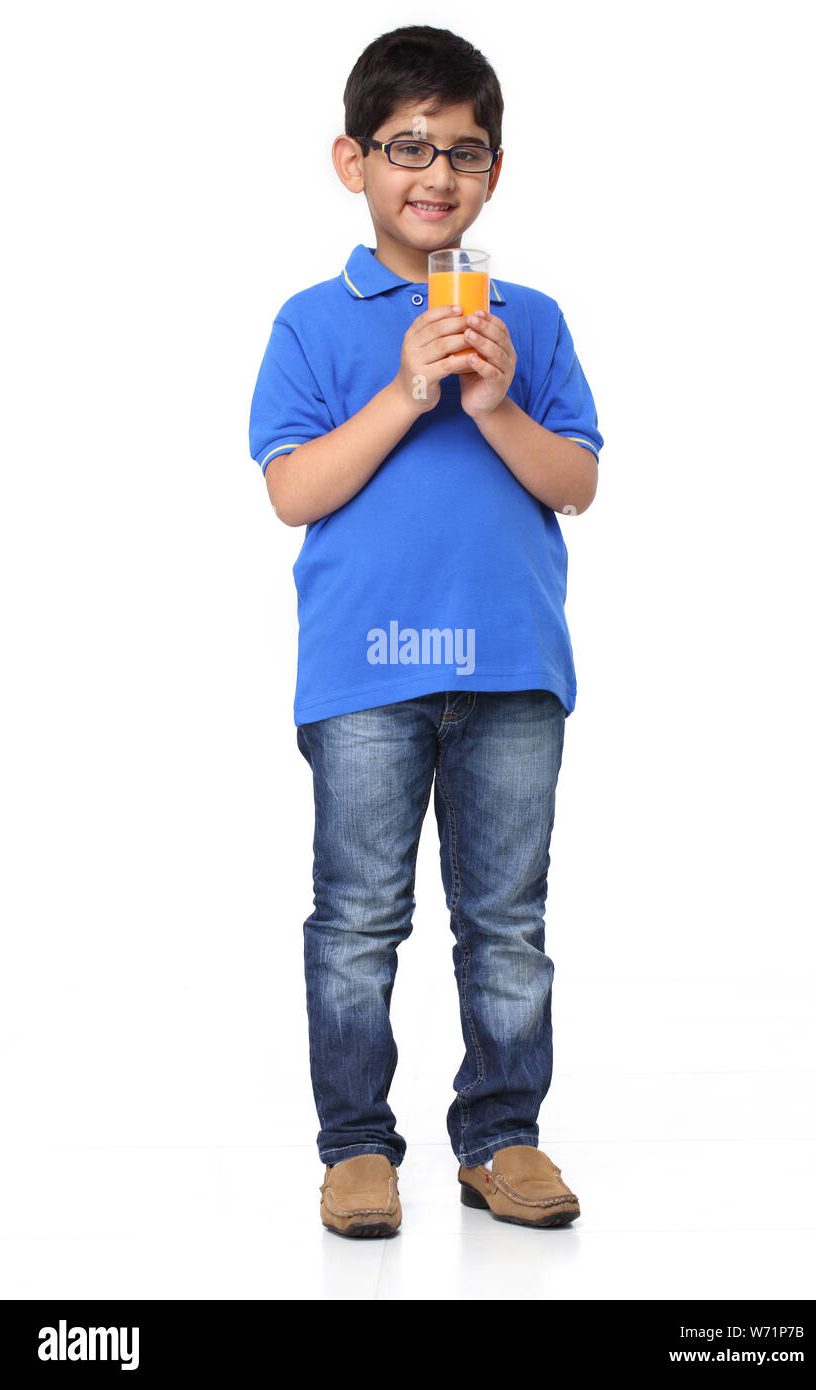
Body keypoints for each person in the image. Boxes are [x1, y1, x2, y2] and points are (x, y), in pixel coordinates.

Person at [248, 24, 603, 1238]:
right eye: (407, 147)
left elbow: (574, 482)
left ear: (492, 173)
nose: (434, 175)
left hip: (509, 666)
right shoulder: (311, 320)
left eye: (462, 151)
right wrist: (405, 389)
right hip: (363, 671)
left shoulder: (530, 318)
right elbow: (294, 491)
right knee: (357, 918)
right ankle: (356, 1148)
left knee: (506, 922)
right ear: (352, 160)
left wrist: (492, 400)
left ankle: (501, 1135)